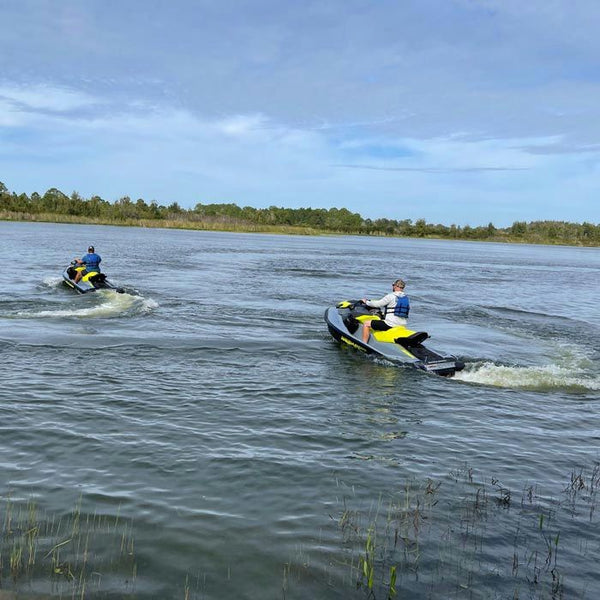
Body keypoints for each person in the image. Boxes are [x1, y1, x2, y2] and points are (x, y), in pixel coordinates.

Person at [361, 278, 410, 343]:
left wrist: (366, 302)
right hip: (402, 324)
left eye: (393, 285)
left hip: (390, 324)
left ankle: (364, 343)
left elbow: (377, 304)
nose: (392, 287)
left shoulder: (391, 296)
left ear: (395, 286)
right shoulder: (406, 298)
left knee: (366, 323)